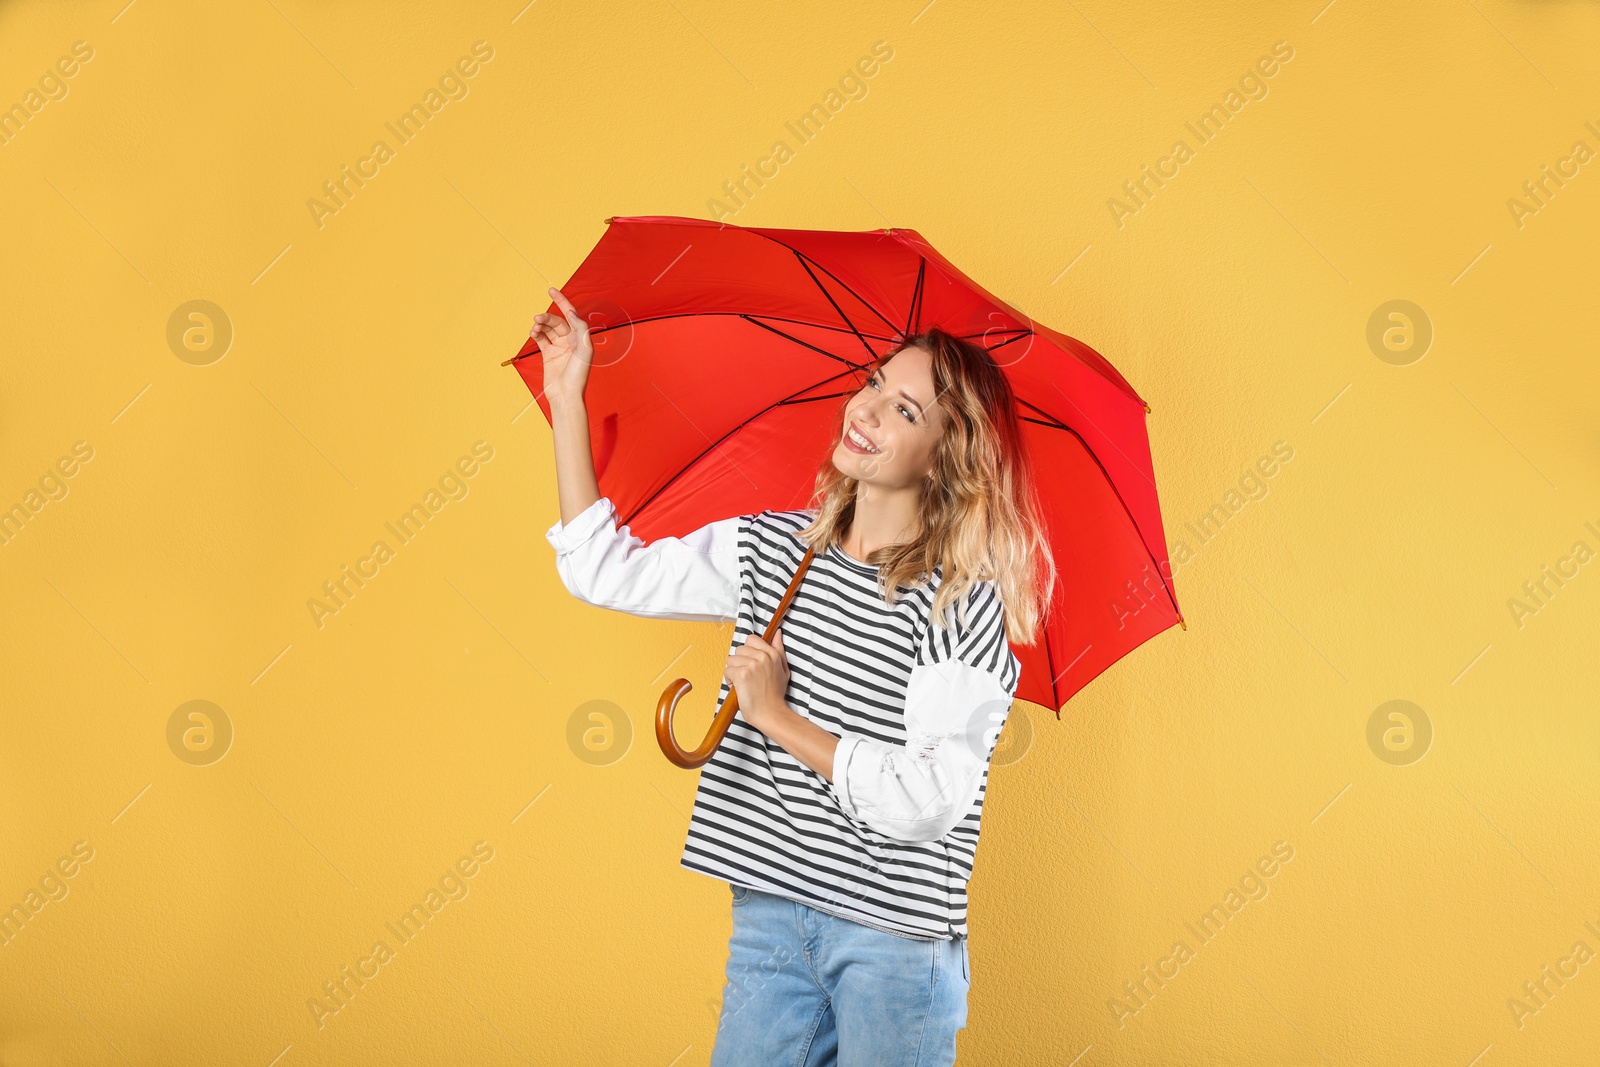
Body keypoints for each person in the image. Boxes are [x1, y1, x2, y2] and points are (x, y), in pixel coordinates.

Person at [534, 285, 1054, 1066]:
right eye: (877, 381)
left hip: (896, 943)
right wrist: (567, 396)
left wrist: (775, 716)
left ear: (945, 459)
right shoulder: (775, 552)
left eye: (907, 411)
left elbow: (928, 801)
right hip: (773, 914)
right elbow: (606, 573)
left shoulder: (960, 604)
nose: (871, 409)